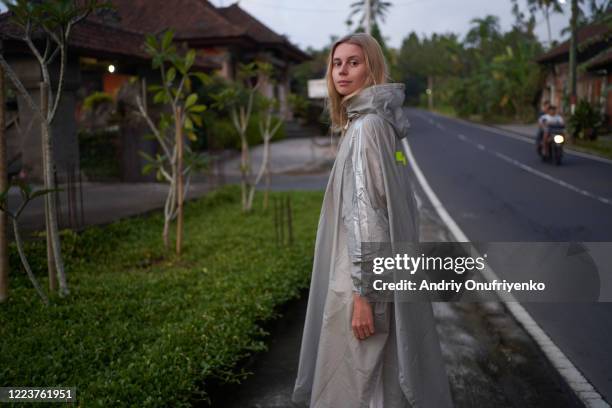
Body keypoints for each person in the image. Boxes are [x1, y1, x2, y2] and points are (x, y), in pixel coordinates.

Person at [291, 33, 453, 408]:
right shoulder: (380, 124)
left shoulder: (366, 130)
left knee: (355, 382)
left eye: (354, 62)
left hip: (361, 277)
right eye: (336, 63)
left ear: (373, 68)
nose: (342, 71)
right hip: (385, 270)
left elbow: (367, 216)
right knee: (382, 376)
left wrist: (365, 295)